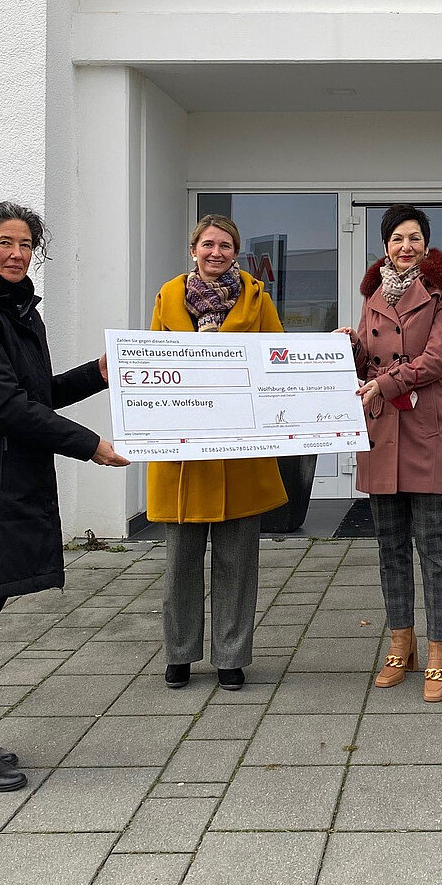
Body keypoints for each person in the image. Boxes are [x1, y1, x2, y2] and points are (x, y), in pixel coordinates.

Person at [0, 202, 128, 792]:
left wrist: (99, 373)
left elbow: (35, 393)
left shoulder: (14, 310)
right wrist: (91, 446)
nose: (17, 253)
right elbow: (4, 407)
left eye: (27, 243)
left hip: (8, 477)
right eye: (5, 242)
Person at [148, 215, 288, 691]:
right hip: (185, 453)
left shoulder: (257, 299)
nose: (216, 252)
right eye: (208, 244)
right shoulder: (167, 298)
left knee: (237, 562)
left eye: (225, 246)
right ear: (194, 250)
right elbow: (150, 366)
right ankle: (180, 654)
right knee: (179, 564)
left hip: (239, 452)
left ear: (236, 253)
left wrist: (324, 358)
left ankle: (231, 657)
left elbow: (279, 362)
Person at [337, 205, 442, 702]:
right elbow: (370, 356)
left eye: (414, 237)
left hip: (425, 427)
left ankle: (439, 650)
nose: (405, 246)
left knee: (434, 546)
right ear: (385, 246)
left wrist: (382, 383)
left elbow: (437, 359)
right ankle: (400, 643)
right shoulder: (373, 292)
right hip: (379, 428)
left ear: (426, 245)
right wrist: (347, 347)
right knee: (389, 545)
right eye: (396, 238)